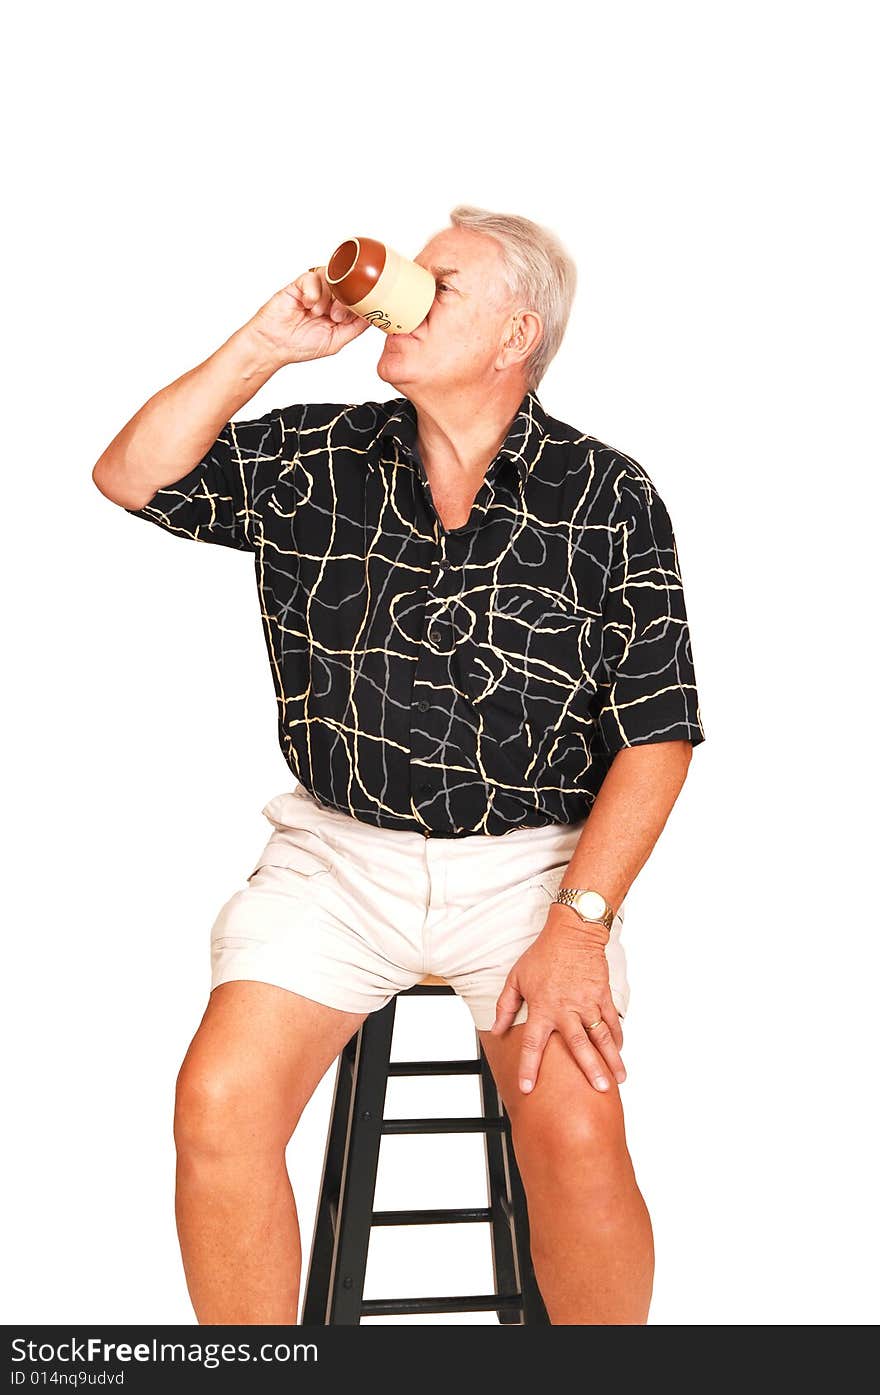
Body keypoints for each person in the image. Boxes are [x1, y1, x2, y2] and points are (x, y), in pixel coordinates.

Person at [92, 204, 704, 1326]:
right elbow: (130, 475)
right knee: (217, 1105)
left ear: (515, 334)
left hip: (531, 873)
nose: (404, 289)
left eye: (441, 282)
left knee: (578, 1132)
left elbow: (657, 736)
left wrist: (579, 926)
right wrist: (264, 347)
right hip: (337, 861)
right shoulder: (317, 454)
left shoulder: (606, 495)